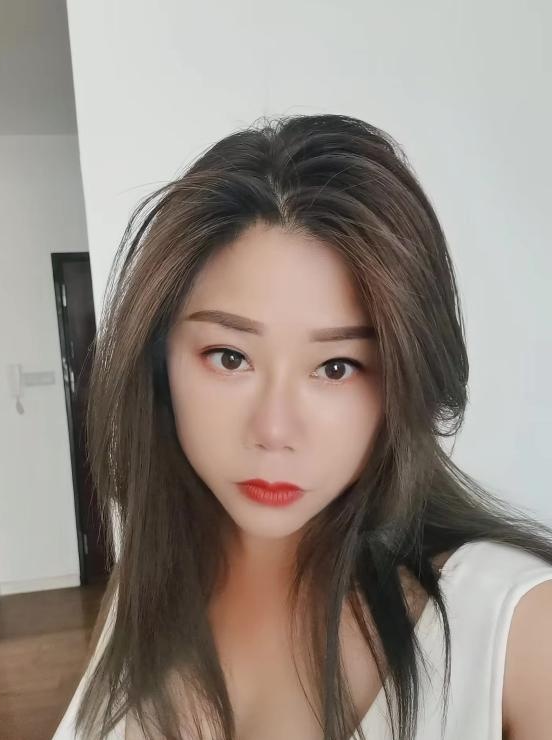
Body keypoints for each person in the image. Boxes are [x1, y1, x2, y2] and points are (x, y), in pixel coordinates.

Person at [52, 114, 552, 740]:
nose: (274, 430)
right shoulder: (148, 583)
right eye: (229, 357)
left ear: (403, 379)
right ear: (158, 362)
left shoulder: (519, 632)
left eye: (336, 367)